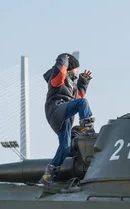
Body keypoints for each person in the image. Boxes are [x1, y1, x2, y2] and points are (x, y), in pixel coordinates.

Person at [40, 53, 95, 185]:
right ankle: (87, 129)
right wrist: (63, 58)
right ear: (70, 68)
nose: (77, 71)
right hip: (56, 111)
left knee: (65, 147)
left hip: (64, 119)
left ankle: (49, 174)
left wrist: (83, 82)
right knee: (83, 104)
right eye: (76, 68)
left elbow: (78, 97)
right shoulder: (58, 80)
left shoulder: (72, 85)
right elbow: (59, 74)